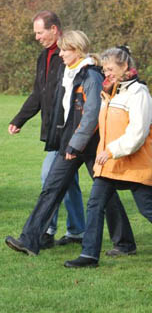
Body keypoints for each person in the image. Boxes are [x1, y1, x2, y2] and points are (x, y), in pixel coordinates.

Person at [5, 31, 136, 256]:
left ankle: (124, 243)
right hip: (70, 142)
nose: (61, 54)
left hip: (90, 145)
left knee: (105, 194)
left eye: (65, 50)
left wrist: (76, 144)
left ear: (78, 50)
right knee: (51, 188)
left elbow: (91, 114)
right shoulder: (67, 72)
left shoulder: (91, 76)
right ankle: (29, 240)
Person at [65, 47, 152, 268]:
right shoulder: (109, 93)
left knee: (147, 209)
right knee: (95, 204)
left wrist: (112, 150)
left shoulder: (139, 93)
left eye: (111, 69)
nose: (107, 73)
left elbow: (138, 133)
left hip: (135, 164)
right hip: (110, 164)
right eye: (104, 69)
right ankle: (89, 256)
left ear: (125, 67)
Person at [8, 11, 84, 247]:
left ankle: (46, 231)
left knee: (50, 176)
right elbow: (39, 94)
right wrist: (19, 119)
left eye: (40, 32)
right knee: (69, 181)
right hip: (53, 130)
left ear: (54, 29)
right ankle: (77, 231)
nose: (37, 37)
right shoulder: (43, 57)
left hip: (68, 130)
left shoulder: (70, 56)